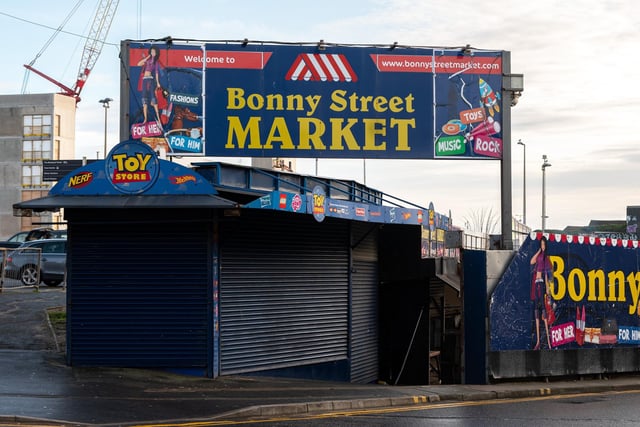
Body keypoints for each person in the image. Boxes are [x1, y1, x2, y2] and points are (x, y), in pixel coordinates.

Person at [530, 236, 552, 350]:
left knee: (543, 309)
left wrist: (548, 288)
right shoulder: (539, 256)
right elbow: (531, 261)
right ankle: (538, 341)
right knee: (536, 310)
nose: (542, 246)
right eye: (541, 244)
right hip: (536, 283)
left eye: (544, 245)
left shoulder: (546, 258)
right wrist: (539, 250)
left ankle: (548, 341)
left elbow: (548, 275)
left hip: (541, 284)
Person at [137, 46, 162, 124]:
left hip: (150, 79)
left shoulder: (156, 62)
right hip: (144, 79)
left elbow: (157, 73)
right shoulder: (147, 60)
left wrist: (158, 82)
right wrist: (147, 57)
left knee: (153, 98)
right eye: (151, 52)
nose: (152, 53)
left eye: (154, 52)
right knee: (144, 99)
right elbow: (139, 64)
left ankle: (158, 118)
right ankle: (145, 119)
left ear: (156, 53)